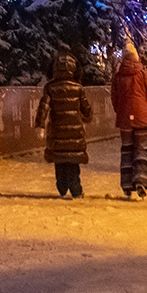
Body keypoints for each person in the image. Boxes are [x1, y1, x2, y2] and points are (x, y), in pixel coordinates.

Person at [111, 38, 147, 199]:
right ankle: (140, 180)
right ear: (136, 57)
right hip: (141, 118)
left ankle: (126, 184)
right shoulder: (145, 74)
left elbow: (115, 98)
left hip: (125, 119)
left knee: (126, 150)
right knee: (141, 150)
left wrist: (121, 112)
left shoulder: (118, 76)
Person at [35, 51, 93, 198]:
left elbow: (44, 107)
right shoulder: (78, 88)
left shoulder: (50, 87)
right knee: (73, 163)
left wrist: (40, 125)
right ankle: (76, 190)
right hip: (75, 134)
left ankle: (61, 187)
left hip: (57, 133)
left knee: (60, 161)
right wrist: (87, 116)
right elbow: (86, 109)